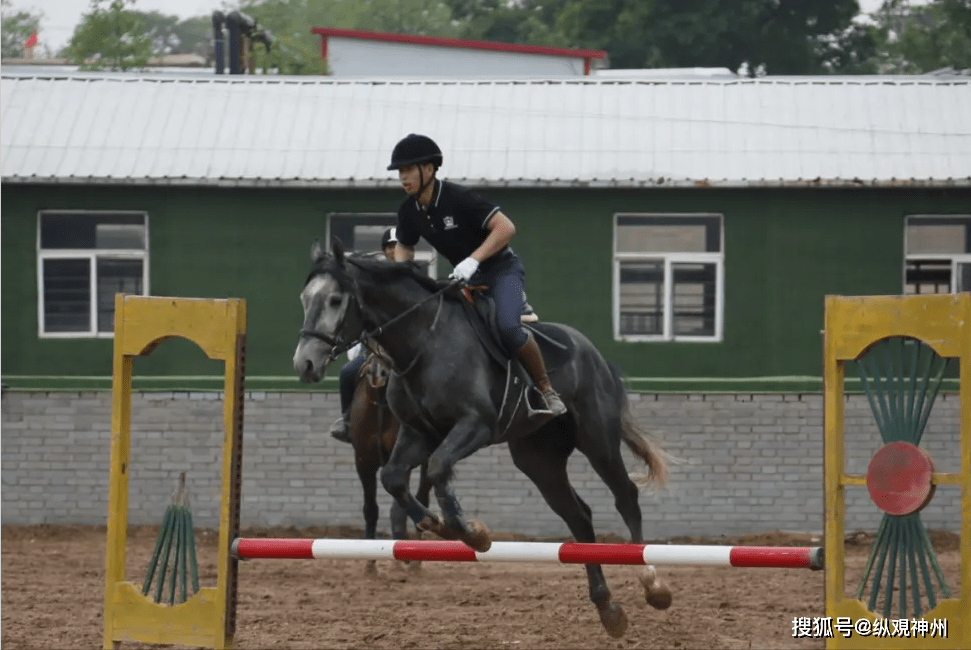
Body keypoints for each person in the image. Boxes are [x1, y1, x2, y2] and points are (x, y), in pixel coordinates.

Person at [386, 133, 566, 419]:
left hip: (500, 271)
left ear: (429, 170)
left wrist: (473, 259)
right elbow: (405, 245)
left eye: (408, 169)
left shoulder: (458, 198)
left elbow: (506, 228)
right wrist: (401, 275)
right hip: (465, 279)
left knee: (507, 326)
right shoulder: (409, 211)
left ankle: (546, 391)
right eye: (400, 171)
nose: (403, 177)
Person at [329, 227, 400, 442]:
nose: (393, 250)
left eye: (397, 245)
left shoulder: (413, 276)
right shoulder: (375, 278)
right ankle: (347, 422)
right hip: (376, 346)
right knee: (348, 373)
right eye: (389, 246)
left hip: (407, 347)